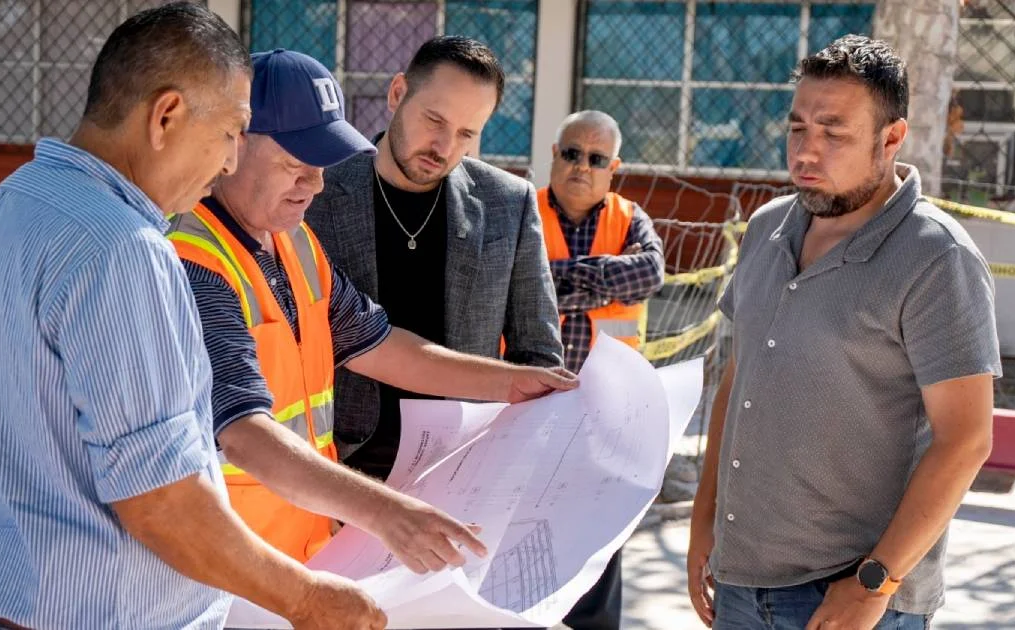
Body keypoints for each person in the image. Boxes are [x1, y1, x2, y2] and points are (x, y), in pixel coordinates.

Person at [0, 5, 384, 629]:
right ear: (166, 116)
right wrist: (306, 600)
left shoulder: (2, 208)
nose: (230, 161)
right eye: (230, 133)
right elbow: (163, 503)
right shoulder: (122, 248)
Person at [168, 48, 576, 570]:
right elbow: (245, 433)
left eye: (320, 166)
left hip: (302, 551)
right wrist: (388, 513)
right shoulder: (193, 262)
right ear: (233, 144)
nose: (315, 185)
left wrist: (510, 382)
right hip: (232, 569)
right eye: (296, 165)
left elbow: (380, 344)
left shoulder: (293, 244)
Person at [687, 35, 1001, 630]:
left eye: (834, 133)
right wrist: (705, 522)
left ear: (891, 138)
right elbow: (739, 378)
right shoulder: (766, 227)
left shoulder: (938, 256)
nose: (807, 151)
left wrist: (876, 582)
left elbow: (966, 440)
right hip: (738, 581)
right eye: (798, 128)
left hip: (850, 596)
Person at [305, 36, 563, 483]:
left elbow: (537, 353)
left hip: (462, 473)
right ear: (398, 93)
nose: (444, 147)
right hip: (338, 471)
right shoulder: (315, 193)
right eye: (434, 120)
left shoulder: (509, 203)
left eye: (466, 133)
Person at [539, 110, 665, 629]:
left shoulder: (631, 217)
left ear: (614, 167)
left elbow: (650, 273)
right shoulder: (522, 210)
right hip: (533, 407)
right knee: (527, 535)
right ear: (554, 155)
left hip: (607, 412)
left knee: (599, 541)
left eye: (595, 159)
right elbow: (523, 281)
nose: (581, 167)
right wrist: (608, 274)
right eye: (571, 153)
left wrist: (556, 282)